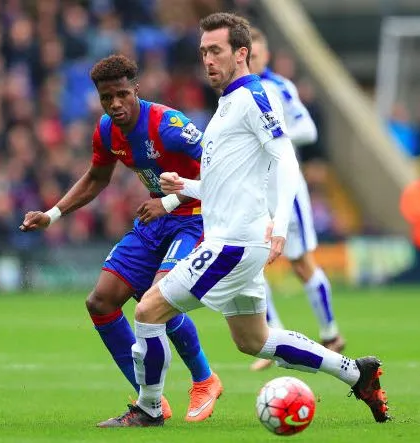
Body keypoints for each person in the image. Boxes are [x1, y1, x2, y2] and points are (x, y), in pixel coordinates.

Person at [98, 13, 389, 428]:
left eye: (216, 51)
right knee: (254, 340)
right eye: (203, 52)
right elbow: (227, 184)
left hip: (232, 244)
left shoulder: (252, 97)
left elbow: (285, 159)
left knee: (147, 310)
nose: (208, 60)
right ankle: (355, 372)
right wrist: (185, 186)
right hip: (238, 242)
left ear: (241, 53)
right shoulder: (228, 105)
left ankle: (148, 409)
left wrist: (283, 227)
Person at [19, 55, 223, 422]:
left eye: (122, 95)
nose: (115, 104)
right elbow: (97, 178)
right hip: (155, 218)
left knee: (157, 301)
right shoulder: (107, 130)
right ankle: (152, 403)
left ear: (137, 90)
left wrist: (172, 200)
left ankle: (204, 379)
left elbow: (222, 169)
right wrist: (52, 215)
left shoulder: (169, 125)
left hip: (196, 218)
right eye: (106, 97)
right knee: (101, 301)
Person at [246, 27, 345, 373]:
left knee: (302, 263)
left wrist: (276, 133)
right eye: (245, 55)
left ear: (265, 56)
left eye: (255, 55)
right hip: (255, 188)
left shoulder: (279, 87)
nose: (249, 60)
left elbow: (309, 130)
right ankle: (269, 338)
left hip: (285, 186)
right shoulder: (238, 93)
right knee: (252, 263)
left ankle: (330, 333)